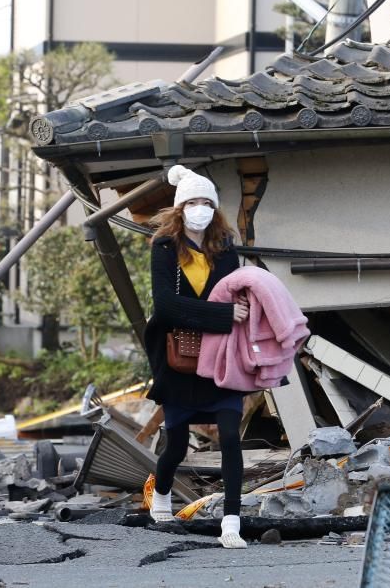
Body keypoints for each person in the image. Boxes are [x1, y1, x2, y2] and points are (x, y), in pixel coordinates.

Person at [145, 165, 251, 550]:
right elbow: (166, 306)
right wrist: (221, 315)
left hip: (221, 357)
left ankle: (231, 522)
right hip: (178, 361)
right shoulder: (163, 247)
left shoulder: (224, 246)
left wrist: (233, 312)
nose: (200, 209)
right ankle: (161, 496)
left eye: (207, 202)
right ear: (179, 207)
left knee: (229, 436)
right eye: (193, 202)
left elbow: (236, 293)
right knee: (175, 443)